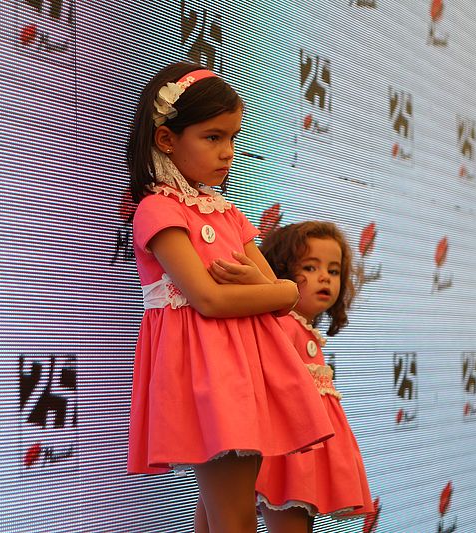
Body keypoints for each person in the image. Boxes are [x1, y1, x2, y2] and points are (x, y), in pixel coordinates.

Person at [125, 62, 334, 533]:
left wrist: (274, 290)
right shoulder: (157, 209)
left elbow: (284, 296)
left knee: (221, 509)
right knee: (233, 512)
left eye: (233, 138)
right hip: (206, 371)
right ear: (166, 139)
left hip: (243, 369)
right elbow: (209, 300)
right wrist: (273, 290)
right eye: (213, 137)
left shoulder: (228, 213)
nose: (228, 152)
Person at [252, 221, 375, 533]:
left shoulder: (304, 330)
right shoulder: (281, 326)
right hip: (290, 454)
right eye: (310, 267)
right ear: (280, 271)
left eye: (333, 271)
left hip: (308, 452)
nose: (325, 278)